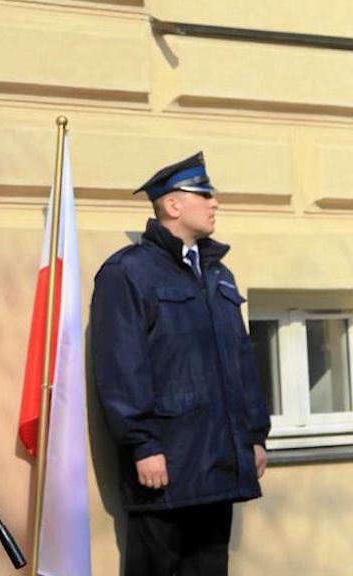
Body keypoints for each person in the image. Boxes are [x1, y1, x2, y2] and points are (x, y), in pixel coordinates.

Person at [90, 152, 271, 576]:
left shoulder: (218, 274)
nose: (215, 202)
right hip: (167, 466)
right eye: (204, 194)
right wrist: (143, 444)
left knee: (210, 568)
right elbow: (121, 365)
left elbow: (241, 361)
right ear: (172, 205)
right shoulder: (128, 272)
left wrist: (253, 435)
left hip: (220, 463)